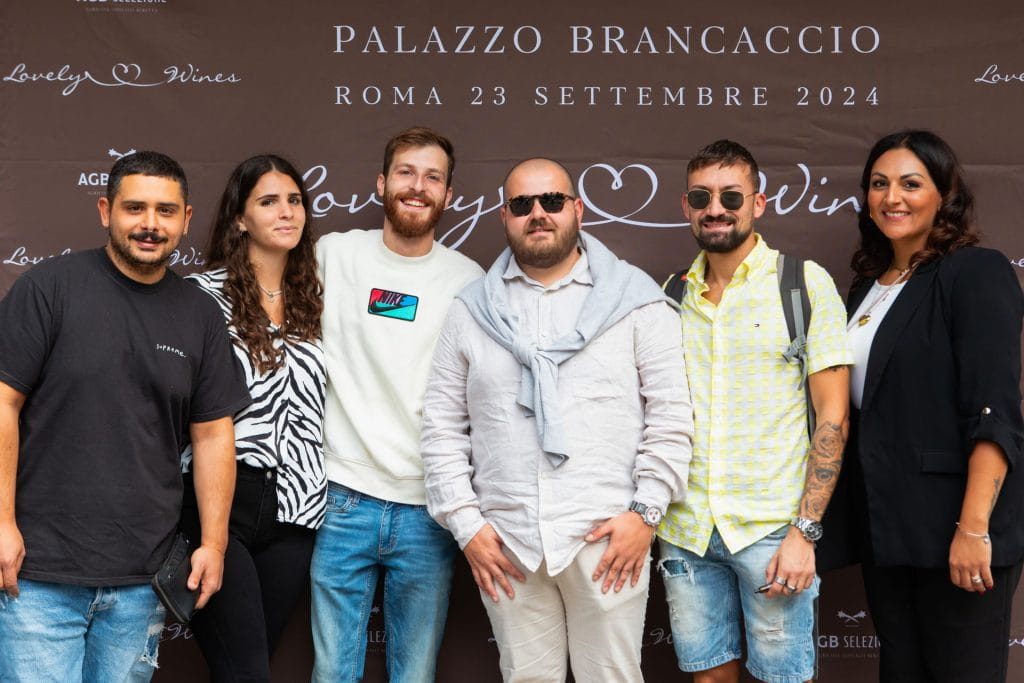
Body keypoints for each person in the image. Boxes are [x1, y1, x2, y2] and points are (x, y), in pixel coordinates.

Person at [421, 157, 694, 682]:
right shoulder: (471, 310)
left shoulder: (635, 300)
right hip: (507, 541)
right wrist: (467, 525)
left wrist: (645, 514)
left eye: (552, 201)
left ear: (578, 209)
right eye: (523, 204)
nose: (538, 214)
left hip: (607, 537)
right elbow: (441, 426)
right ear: (504, 216)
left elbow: (671, 414)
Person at [0, 151, 250, 682]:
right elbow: (3, 403)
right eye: (135, 208)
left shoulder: (199, 313)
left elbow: (211, 437)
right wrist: (0, 523)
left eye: (165, 211)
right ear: (105, 210)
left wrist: (214, 543)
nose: (150, 225)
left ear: (185, 219)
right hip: (39, 575)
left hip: (143, 580)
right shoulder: (47, 289)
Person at [817, 130, 1024, 682]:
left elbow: (994, 412)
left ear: (944, 194)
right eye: (880, 184)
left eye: (912, 183)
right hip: (889, 530)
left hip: (956, 527)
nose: (893, 198)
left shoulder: (975, 272)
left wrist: (973, 529)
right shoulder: (866, 287)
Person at [656, 139, 852, 683]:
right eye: (701, 196)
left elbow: (833, 418)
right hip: (686, 529)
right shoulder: (671, 295)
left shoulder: (802, 284)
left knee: (783, 680)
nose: (715, 208)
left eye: (730, 195)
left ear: (757, 204)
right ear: (686, 207)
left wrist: (805, 532)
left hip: (772, 530)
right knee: (708, 676)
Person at [310, 127, 484, 683]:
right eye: (407, 172)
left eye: (433, 177)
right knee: (332, 671)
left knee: (415, 674)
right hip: (342, 500)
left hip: (428, 509)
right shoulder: (333, 255)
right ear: (382, 183)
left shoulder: (469, 282)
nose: (418, 186)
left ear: (449, 195)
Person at [179, 154, 326, 682]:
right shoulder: (200, 297)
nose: (287, 212)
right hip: (222, 501)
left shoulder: (319, 297)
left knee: (249, 665)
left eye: (294, 200)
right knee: (246, 672)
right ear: (240, 218)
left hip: (298, 510)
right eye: (268, 202)